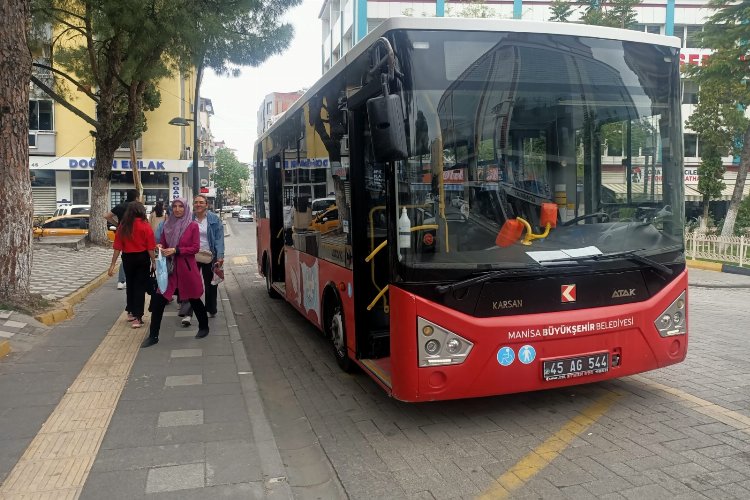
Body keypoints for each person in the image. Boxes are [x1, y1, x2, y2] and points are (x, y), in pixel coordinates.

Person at [141, 198, 208, 348]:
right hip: (169, 271)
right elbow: (163, 243)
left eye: (180, 207)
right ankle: (153, 335)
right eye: (175, 206)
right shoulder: (167, 225)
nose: (177, 209)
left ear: (186, 209)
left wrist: (176, 250)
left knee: (194, 299)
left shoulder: (192, 226)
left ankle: (204, 327)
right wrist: (160, 246)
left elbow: (195, 248)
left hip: (187, 269)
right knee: (158, 301)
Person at [107, 202, 155, 329]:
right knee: (139, 287)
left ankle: (131, 312)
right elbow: (150, 247)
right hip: (142, 258)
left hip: (127, 258)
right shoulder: (145, 226)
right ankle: (138, 318)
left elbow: (117, 247)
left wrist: (112, 265)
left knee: (130, 285)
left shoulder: (123, 226)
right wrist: (154, 262)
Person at [179, 194, 225, 326]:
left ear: (206, 205)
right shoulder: (188, 219)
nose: (198, 204)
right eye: (196, 202)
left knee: (210, 283)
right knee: (190, 283)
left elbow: (219, 239)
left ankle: (211, 308)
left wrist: (220, 256)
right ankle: (187, 313)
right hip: (191, 255)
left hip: (209, 256)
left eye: (201, 202)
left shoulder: (214, 219)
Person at [106, 189, 140, 290]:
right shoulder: (137, 207)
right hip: (136, 233)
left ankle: (121, 280)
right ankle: (134, 279)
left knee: (125, 256)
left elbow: (106, 216)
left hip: (122, 232)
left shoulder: (120, 206)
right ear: (136, 197)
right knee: (137, 255)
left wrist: (117, 224)